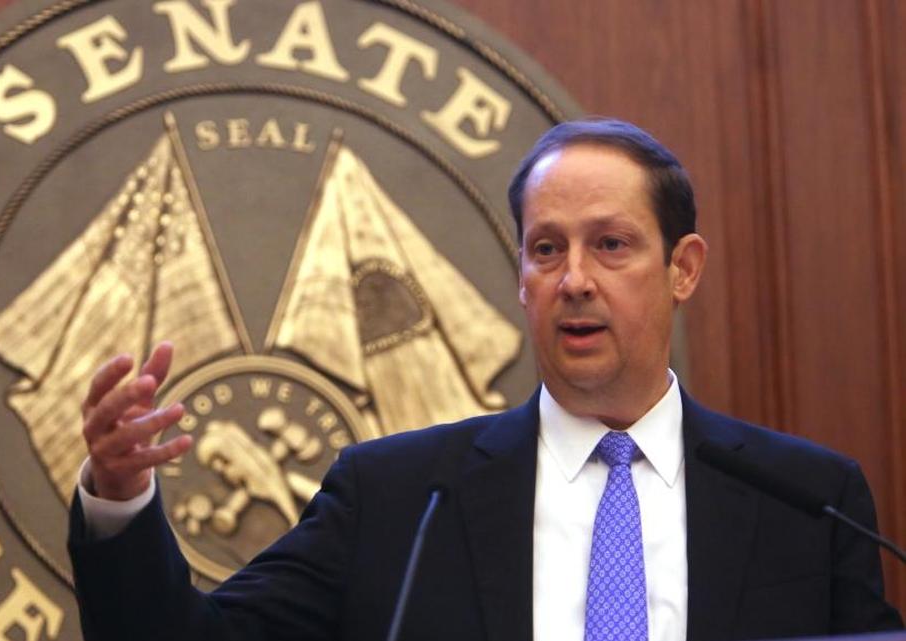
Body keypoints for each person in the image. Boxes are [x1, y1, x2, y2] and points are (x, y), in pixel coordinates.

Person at [67, 118, 904, 640]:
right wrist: (119, 498)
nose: (574, 279)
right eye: (547, 249)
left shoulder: (809, 501)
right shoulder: (396, 498)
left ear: (683, 267)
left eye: (611, 245)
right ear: (522, 278)